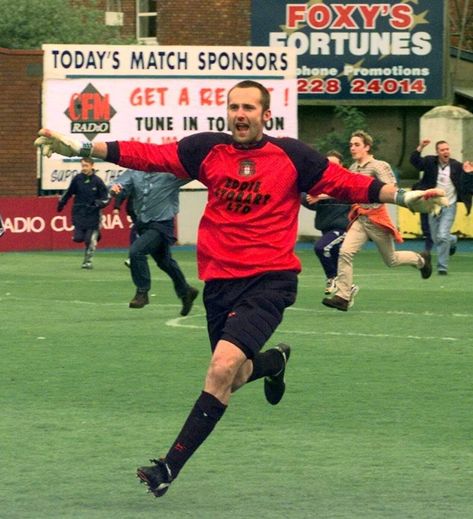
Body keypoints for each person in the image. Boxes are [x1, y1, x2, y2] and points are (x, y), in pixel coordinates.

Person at [35, 80, 447, 498]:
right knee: (235, 376)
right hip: (220, 283)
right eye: (234, 107)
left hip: (270, 281)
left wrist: (405, 196)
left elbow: (344, 183)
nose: (240, 114)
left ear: (265, 114)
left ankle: (167, 468)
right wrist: (82, 147)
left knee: (219, 370)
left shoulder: (291, 154)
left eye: (249, 107)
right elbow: (147, 153)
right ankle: (273, 363)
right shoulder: (207, 150)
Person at [322, 130, 433, 312]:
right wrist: (321, 196)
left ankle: (421, 259)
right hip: (360, 218)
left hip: (376, 219)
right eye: (351, 145)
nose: (352, 148)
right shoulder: (353, 168)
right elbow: (344, 190)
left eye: (357, 144)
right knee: (345, 253)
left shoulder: (378, 165)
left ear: (367, 147)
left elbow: (392, 187)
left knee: (391, 260)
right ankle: (343, 296)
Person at [109, 169, 199, 315]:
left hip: (162, 226)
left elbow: (194, 172)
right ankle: (186, 291)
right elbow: (118, 184)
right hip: (144, 224)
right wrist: (115, 189)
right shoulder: (134, 172)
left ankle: (142, 292)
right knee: (165, 262)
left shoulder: (170, 175)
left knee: (136, 251)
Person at [300, 150, 359, 305]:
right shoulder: (320, 183)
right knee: (335, 257)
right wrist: (305, 197)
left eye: (334, 164)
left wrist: (319, 196)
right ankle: (348, 289)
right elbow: (311, 202)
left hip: (342, 228)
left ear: (341, 166)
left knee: (321, 247)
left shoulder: (346, 180)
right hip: (326, 228)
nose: (330, 167)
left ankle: (332, 279)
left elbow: (343, 193)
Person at [410, 139, 473, 275]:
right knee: (436, 237)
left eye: (447, 149)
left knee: (442, 236)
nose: (445, 152)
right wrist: (420, 147)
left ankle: (442, 267)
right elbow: (415, 162)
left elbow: (468, 186)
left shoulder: (457, 166)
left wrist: (468, 173)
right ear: (437, 152)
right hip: (433, 205)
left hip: (449, 205)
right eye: (442, 150)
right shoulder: (429, 162)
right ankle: (453, 240)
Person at [56, 157, 109, 269]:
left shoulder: (97, 181)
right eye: (82, 166)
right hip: (79, 212)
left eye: (86, 166)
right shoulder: (77, 179)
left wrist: (98, 204)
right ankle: (96, 235)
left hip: (93, 213)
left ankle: (87, 261)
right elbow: (69, 192)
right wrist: (61, 203)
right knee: (78, 238)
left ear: (92, 166)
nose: (84, 168)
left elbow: (106, 198)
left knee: (89, 239)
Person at [112, 186, 138, 268]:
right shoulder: (134, 179)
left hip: (147, 211)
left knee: (138, 232)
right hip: (135, 210)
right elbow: (122, 193)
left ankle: (134, 257)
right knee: (137, 231)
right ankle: (133, 257)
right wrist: (116, 207)